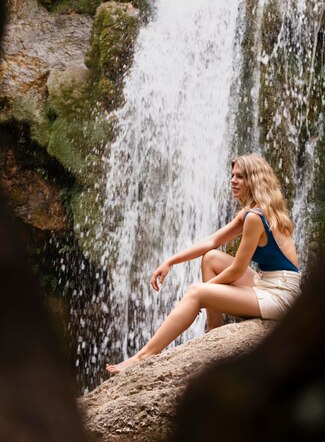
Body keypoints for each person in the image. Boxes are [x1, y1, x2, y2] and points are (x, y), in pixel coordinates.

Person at [106, 153, 301, 374]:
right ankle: (213, 332)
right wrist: (170, 261)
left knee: (197, 292)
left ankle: (143, 356)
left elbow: (237, 270)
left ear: (254, 180)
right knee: (211, 257)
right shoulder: (253, 213)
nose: (233, 181)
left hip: (281, 295)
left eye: (240, 177)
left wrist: (205, 292)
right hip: (269, 283)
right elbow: (212, 241)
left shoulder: (255, 218)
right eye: (232, 176)